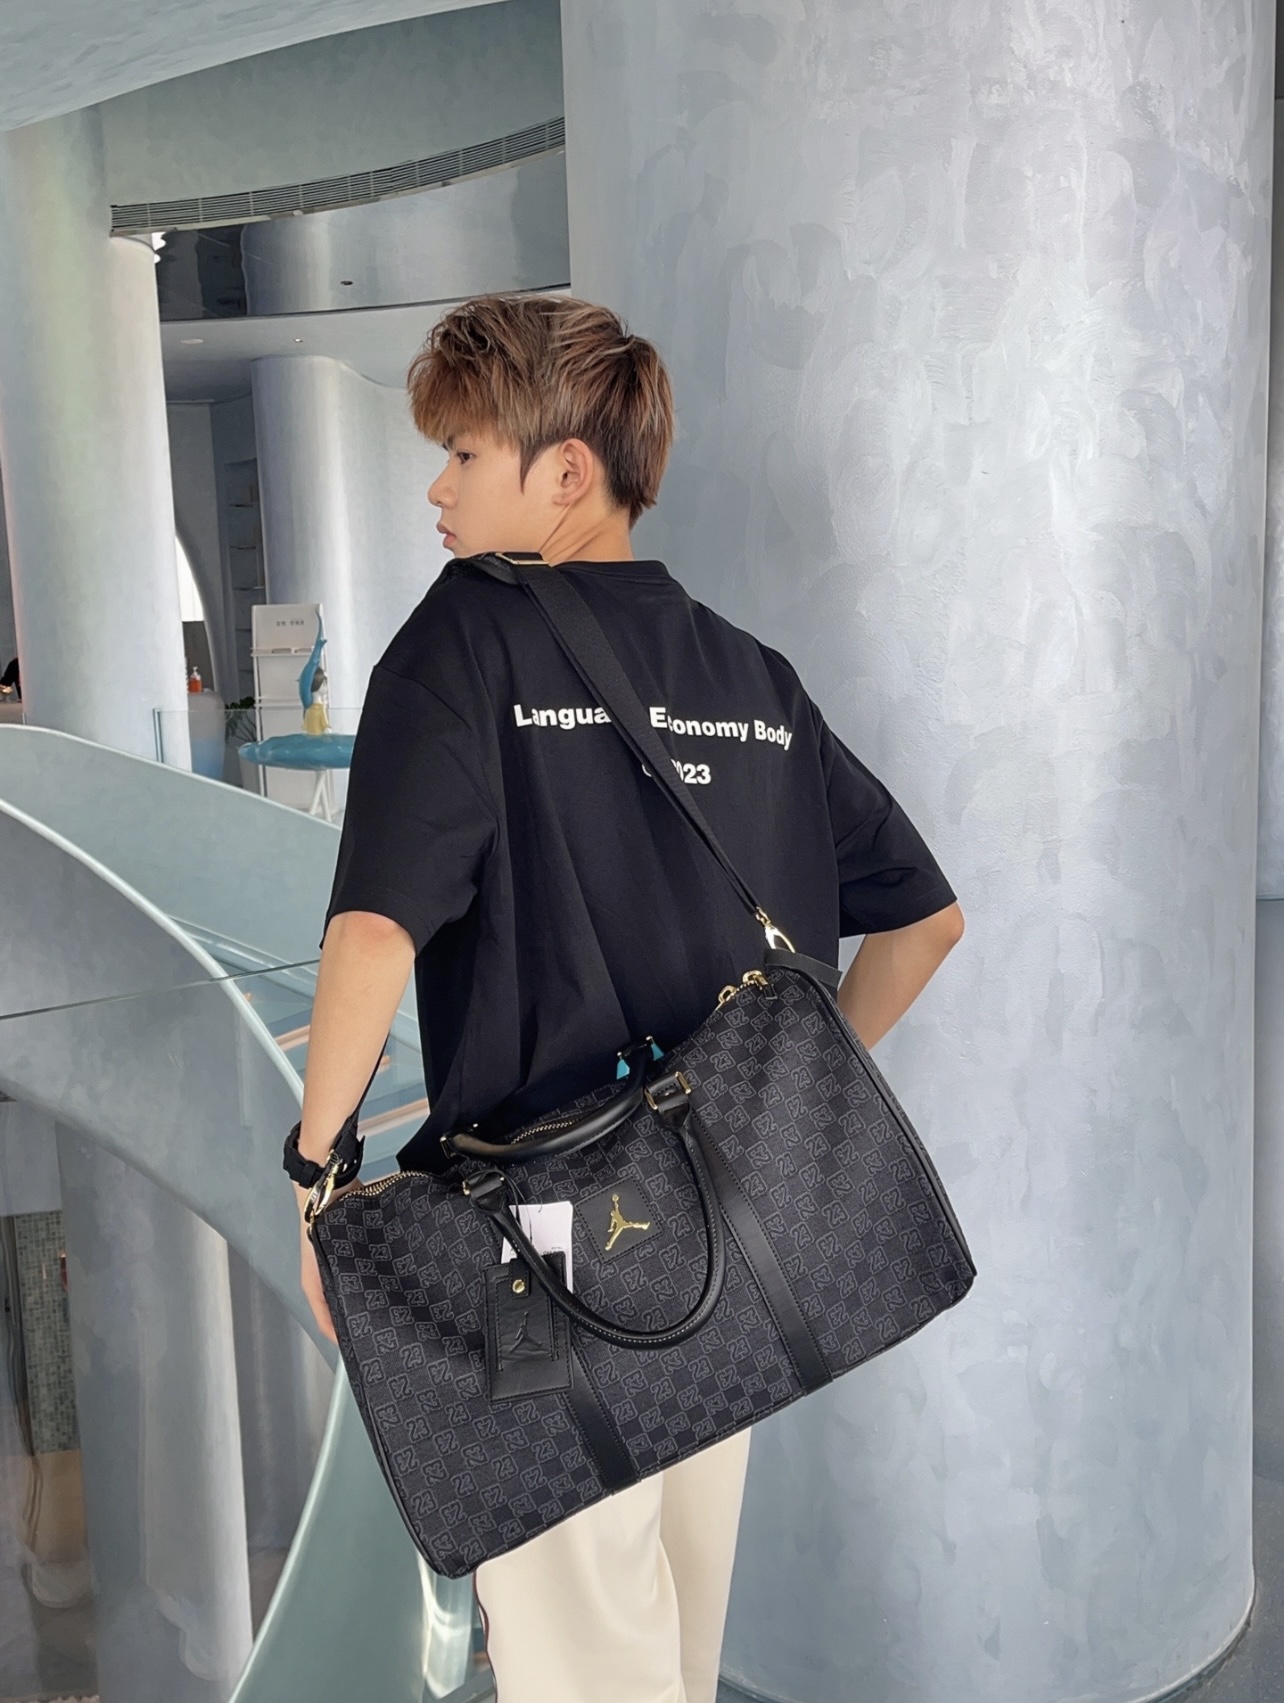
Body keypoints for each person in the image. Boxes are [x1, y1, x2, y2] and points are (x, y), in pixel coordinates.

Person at [291, 293, 964, 1703]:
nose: (437, 489)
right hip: (728, 1224)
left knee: (585, 1664)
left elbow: (374, 930)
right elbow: (925, 919)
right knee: (672, 1642)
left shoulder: (468, 638)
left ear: (566, 471)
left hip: (544, 1249)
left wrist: (319, 1174)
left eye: (463, 454)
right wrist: (788, 1089)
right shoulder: (751, 674)